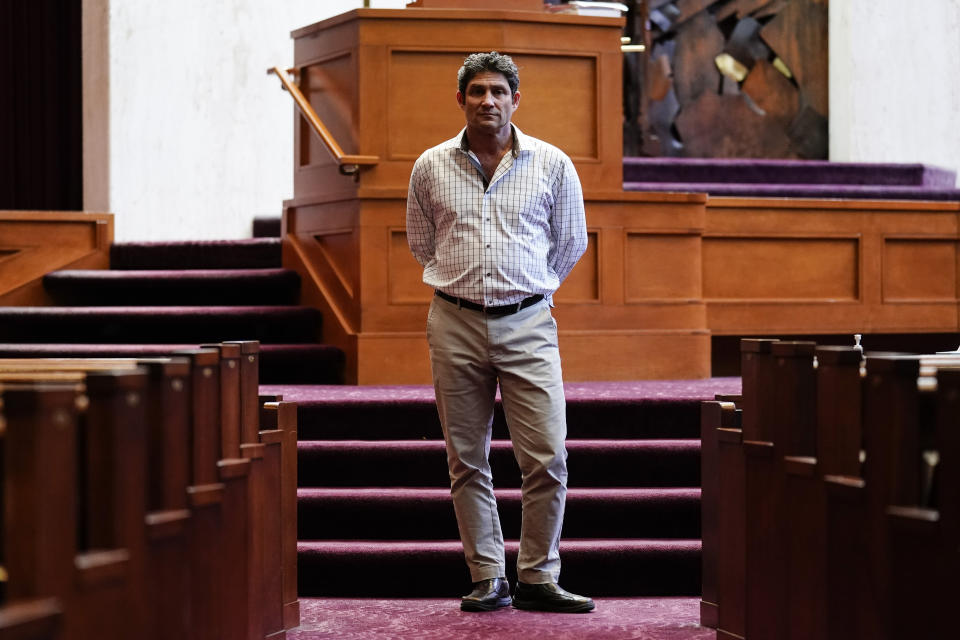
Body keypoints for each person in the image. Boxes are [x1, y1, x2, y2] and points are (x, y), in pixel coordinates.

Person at [406, 51, 593, 614]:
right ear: (460, 99)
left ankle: (537, 574)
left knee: (548, 456)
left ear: (516, 99)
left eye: (499, 91)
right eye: (477, 91)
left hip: (529, 323)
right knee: (467, 457)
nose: (488, 100)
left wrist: (528, 289)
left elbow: (571, 242)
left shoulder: (553, 164)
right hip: (454, 322)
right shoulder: (430, 166)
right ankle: (487, 575)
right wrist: (467, 287)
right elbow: (422, 242)